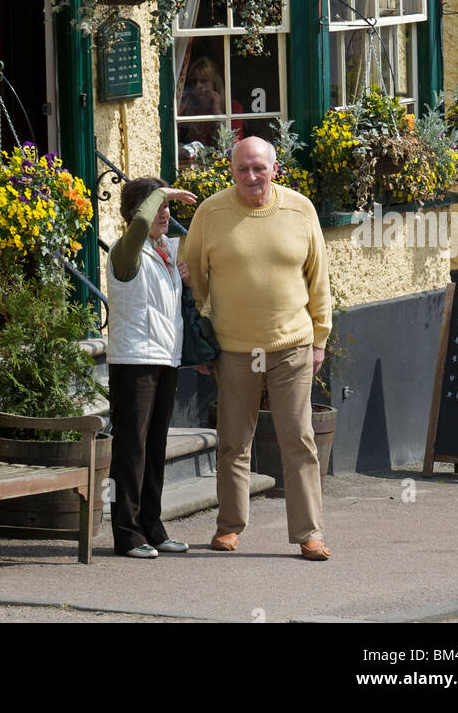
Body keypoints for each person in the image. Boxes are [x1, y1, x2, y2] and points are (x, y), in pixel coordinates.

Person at [180, 135, 333, 560]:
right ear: (232, 170)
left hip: (292, 345)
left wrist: (320, 338)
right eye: (243, 168)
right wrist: (200, 343)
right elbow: (195, 280)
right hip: (233, 348)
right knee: (233, 442)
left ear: (274, 168)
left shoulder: (300, 208)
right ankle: (229, 527)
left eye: (259, 168)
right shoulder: (210, 213)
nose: (251, 176)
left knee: (298, 439)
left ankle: (309, 534)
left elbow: (318, 279)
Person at [106, 176, 198, 558]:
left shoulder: (166, 251)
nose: (165, 213)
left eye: (168, 206)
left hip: (165, 357)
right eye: (158, 205)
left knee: (155, 447)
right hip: (133, 360)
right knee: (131, 449)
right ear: (136, 213)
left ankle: (152, 527)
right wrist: (163, 193)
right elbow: (141, 225)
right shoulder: (125, 250)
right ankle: (126, 534)